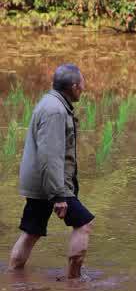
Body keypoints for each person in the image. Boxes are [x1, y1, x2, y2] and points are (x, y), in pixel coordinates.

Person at [9, 64, 96, 279]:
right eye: (82, 84)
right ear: (74, 87)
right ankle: (73, 281)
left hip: (43, 182)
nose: (84, 88)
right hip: (51, 185)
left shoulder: (51, 103)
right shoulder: (55, 110)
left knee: (32, 232)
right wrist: (58, 195)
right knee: (83, 224)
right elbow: (50, 155)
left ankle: (13, 277)